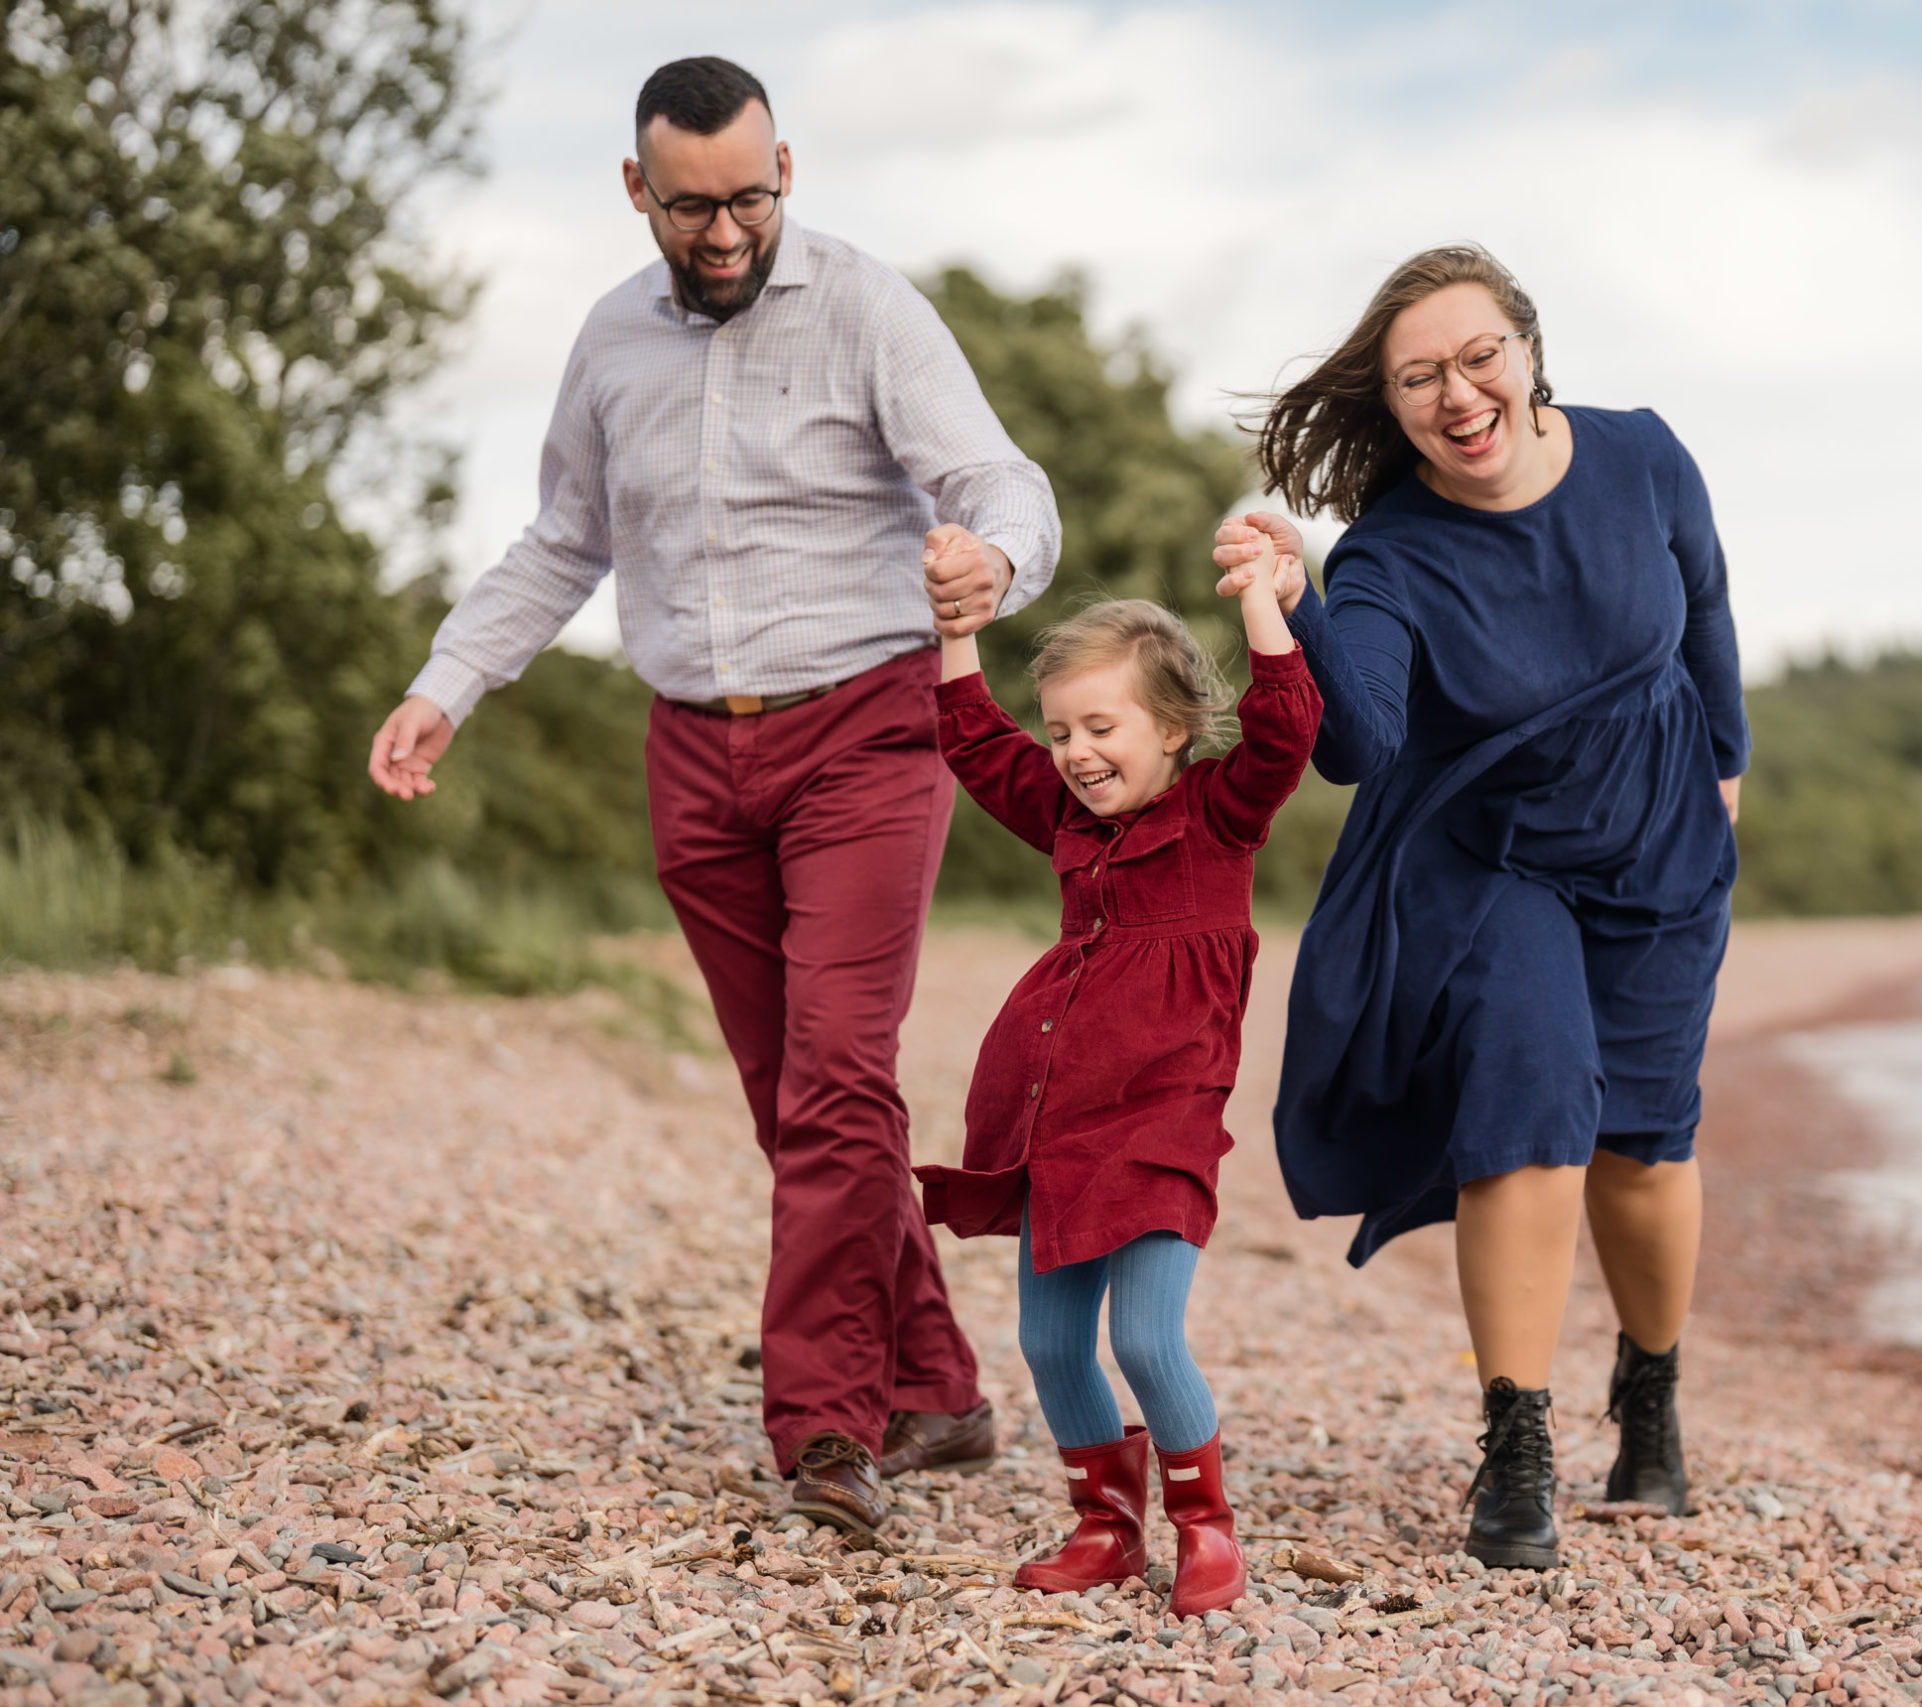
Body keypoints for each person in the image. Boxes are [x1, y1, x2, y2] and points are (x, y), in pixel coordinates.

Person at [363, 57, 1063, 1541]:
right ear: (639, 191)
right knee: (798, 1098)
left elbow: (1005, 484)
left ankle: (825, 1424)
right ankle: (939, 1380)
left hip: (869, 734)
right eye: (693, 206)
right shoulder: (611, 341)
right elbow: (563, 543)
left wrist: (993, 565)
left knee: (831, 1080)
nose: (727, 230)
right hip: (692, 748)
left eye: (751, 196)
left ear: (786, 169)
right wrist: (447, 682)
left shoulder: (870, 309)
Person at [1212, 244, 1749, 1569]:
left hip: (1662, 838)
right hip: (1492, 854)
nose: (1457, 393)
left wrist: (1728, 761)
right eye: (1419, 378)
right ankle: (1517, 1441)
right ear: (1392, 410)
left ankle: (1653, 1393)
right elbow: (1360, 744)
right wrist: (1298, 606)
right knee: (1529, 1084)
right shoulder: (1394, 554)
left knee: (1645, 1139)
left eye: (1475, 357)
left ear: (1525, 351)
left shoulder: (1644, 455)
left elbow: (1708, 608)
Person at [914, 530, 1317, 1618]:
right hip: (1053, 1111)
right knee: (1048, 1341)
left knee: (1142, 1334)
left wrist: (1261, 610)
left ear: (1174, 730)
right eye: (1063, 733)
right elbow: (976, 747)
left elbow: (1285, 731)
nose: (1076, 752)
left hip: (1161, 1120)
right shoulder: (1061, 816)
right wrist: (957, 637)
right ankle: (1105, 1525)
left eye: (1102, 727)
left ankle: (1206, 1528)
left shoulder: (1216, 817)